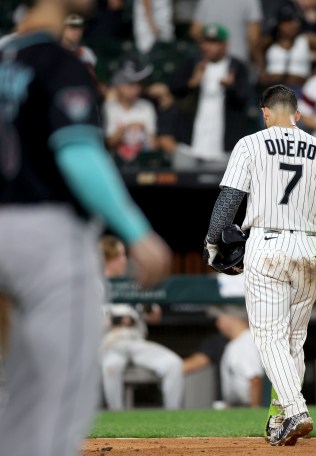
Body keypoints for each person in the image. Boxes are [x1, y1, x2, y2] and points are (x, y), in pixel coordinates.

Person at [0, 0, 171, 454]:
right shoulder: (59, 63)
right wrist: (136, 231)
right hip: (48, 236)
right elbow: (77, 154)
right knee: (59, 398)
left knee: (18, 396)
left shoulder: (4, 59)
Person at [202, 85, 316, 445]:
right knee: (294, 341)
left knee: (269, 338)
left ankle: (295, 410)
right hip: (312, 247)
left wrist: (213, 243)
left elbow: (229, 200)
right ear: (297, 114)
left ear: (265, 113)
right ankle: (280, 418)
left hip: (267, 243)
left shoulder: (250, 143)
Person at [100, 236, 183, 410]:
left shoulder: (133, 284)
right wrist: (117, 319)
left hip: (135, 340)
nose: (124, 260)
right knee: (111, 367)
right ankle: (117, 420)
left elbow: (155, 315)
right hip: (108, 344)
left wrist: (146, 308)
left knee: (173, 364)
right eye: (118, 256)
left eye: (124, 255)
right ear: (106, 259)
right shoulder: (96, 285)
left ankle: (173, 418)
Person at [168, 23, 252, 165]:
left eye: (214, 42)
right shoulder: (192, 63)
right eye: (205, 41)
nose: (207, 46)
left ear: (225, 45)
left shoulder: (237, 67)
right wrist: (192, 82)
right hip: (189, 144)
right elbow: (174, 89)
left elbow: (244, 100)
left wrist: (230, 87)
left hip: (222, 148)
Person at [103, 58, 158, 165]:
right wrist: (127, 128)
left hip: (143, 163)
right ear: (119, 86)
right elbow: (109, 144)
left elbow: (153, 145)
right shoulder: (108, 108)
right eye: (131, 84)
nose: (136, 88)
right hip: (115, 163)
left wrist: (144, 133)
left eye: (138, 84)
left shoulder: (146, 106)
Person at [260, 4, 313, 97]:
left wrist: (315, 73)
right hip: (273, 91)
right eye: (288, 22)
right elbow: (256, 51)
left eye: (295, 21)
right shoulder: (269, 41)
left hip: (300, 90)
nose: (293, 25)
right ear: (279, 24)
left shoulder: (306, 39)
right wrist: (261, 70)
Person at [190, 0, 263, 66]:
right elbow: (253, 39)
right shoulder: (251, 1)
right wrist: (260, 63)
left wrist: (208, 47)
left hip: (211, 61)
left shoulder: (205, 1)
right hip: (239, 59)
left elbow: (195, 32)